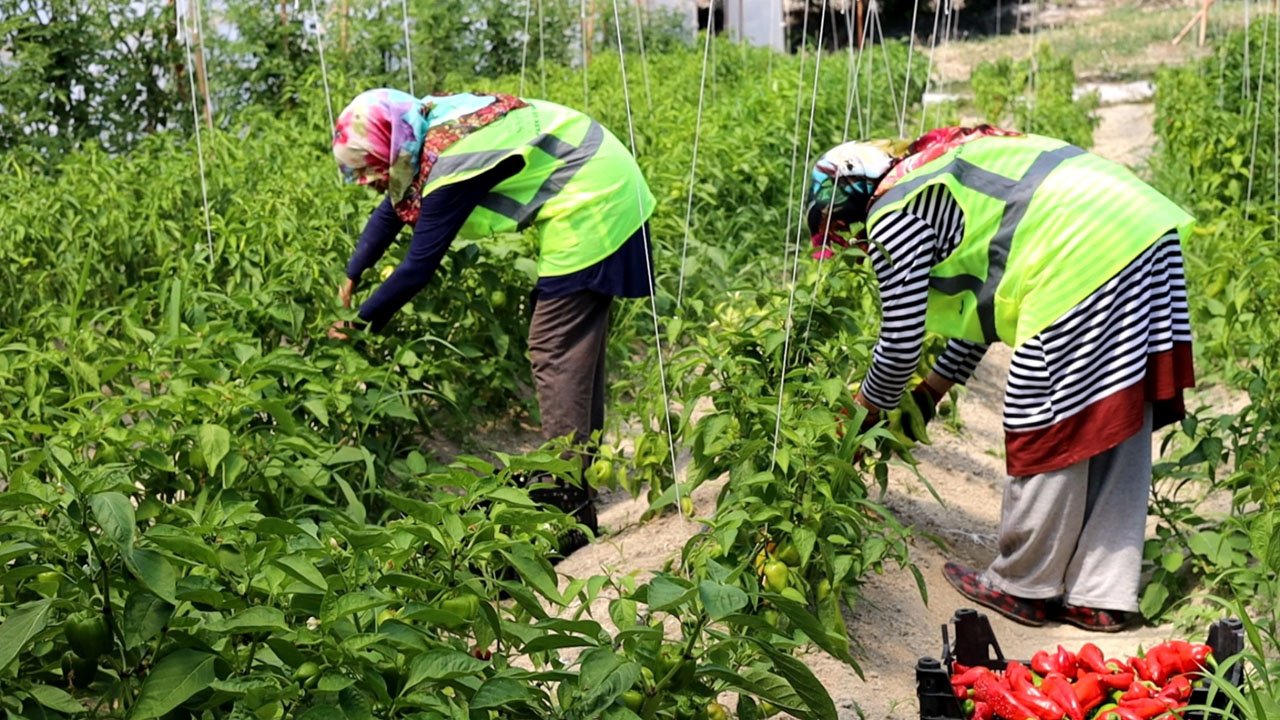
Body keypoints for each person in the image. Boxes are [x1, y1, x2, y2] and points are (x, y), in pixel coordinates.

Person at [806, 126, 1195, 632]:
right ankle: (1100, 594)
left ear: (846, 213)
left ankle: (1023, 586)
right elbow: (982, 318)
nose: (854, 250)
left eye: (841, 236)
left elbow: (899, 342)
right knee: (1112, 410)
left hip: (1081, 245)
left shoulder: (890, 214)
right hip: (1139, 231)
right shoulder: (930, 172)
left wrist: (859, 419)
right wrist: (928, 396)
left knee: (1042, 411)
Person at [329, 88, 656, 553]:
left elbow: (418, 267)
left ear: (389, 145)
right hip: (604, 184)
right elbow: (393, 209)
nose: (364, 180)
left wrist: (358, 325)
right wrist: (352, 272)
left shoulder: (450, 164)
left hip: (593, 202)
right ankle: (579, 490)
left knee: (554, 349)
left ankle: (566, 507)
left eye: (366, 168)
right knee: (574, 350)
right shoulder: (425, 131)